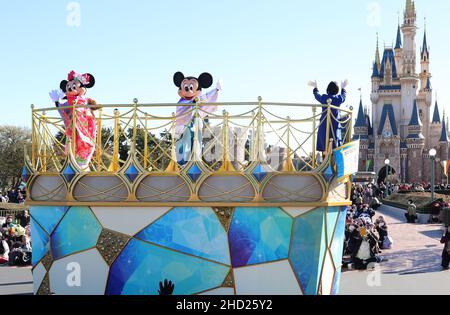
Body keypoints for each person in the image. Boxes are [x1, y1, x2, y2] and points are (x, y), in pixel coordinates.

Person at [308, 80, 348, 153]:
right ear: (336, 90)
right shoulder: (338, 99)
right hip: (334, 126)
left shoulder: (324, 98)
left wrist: (315, 87)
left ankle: (325, 160)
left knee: (324, 147)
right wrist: (343, 88)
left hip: (324, 125)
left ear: (328, 89)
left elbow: (317, 96)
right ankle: (332, 162)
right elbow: (343, 96)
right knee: (335, 147)